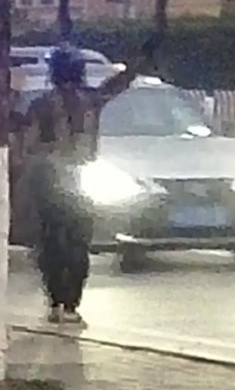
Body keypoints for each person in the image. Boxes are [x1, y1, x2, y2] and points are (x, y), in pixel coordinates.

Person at [18, 42, 150, 324]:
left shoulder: (42, 104)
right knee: (78, 244)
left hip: (48, 179)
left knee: (51, 241)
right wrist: (141, 57)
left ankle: (55, 301)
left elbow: (27, 143)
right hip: (80, 178)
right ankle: (70, 305)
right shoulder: (91, 99)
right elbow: (121, 82)